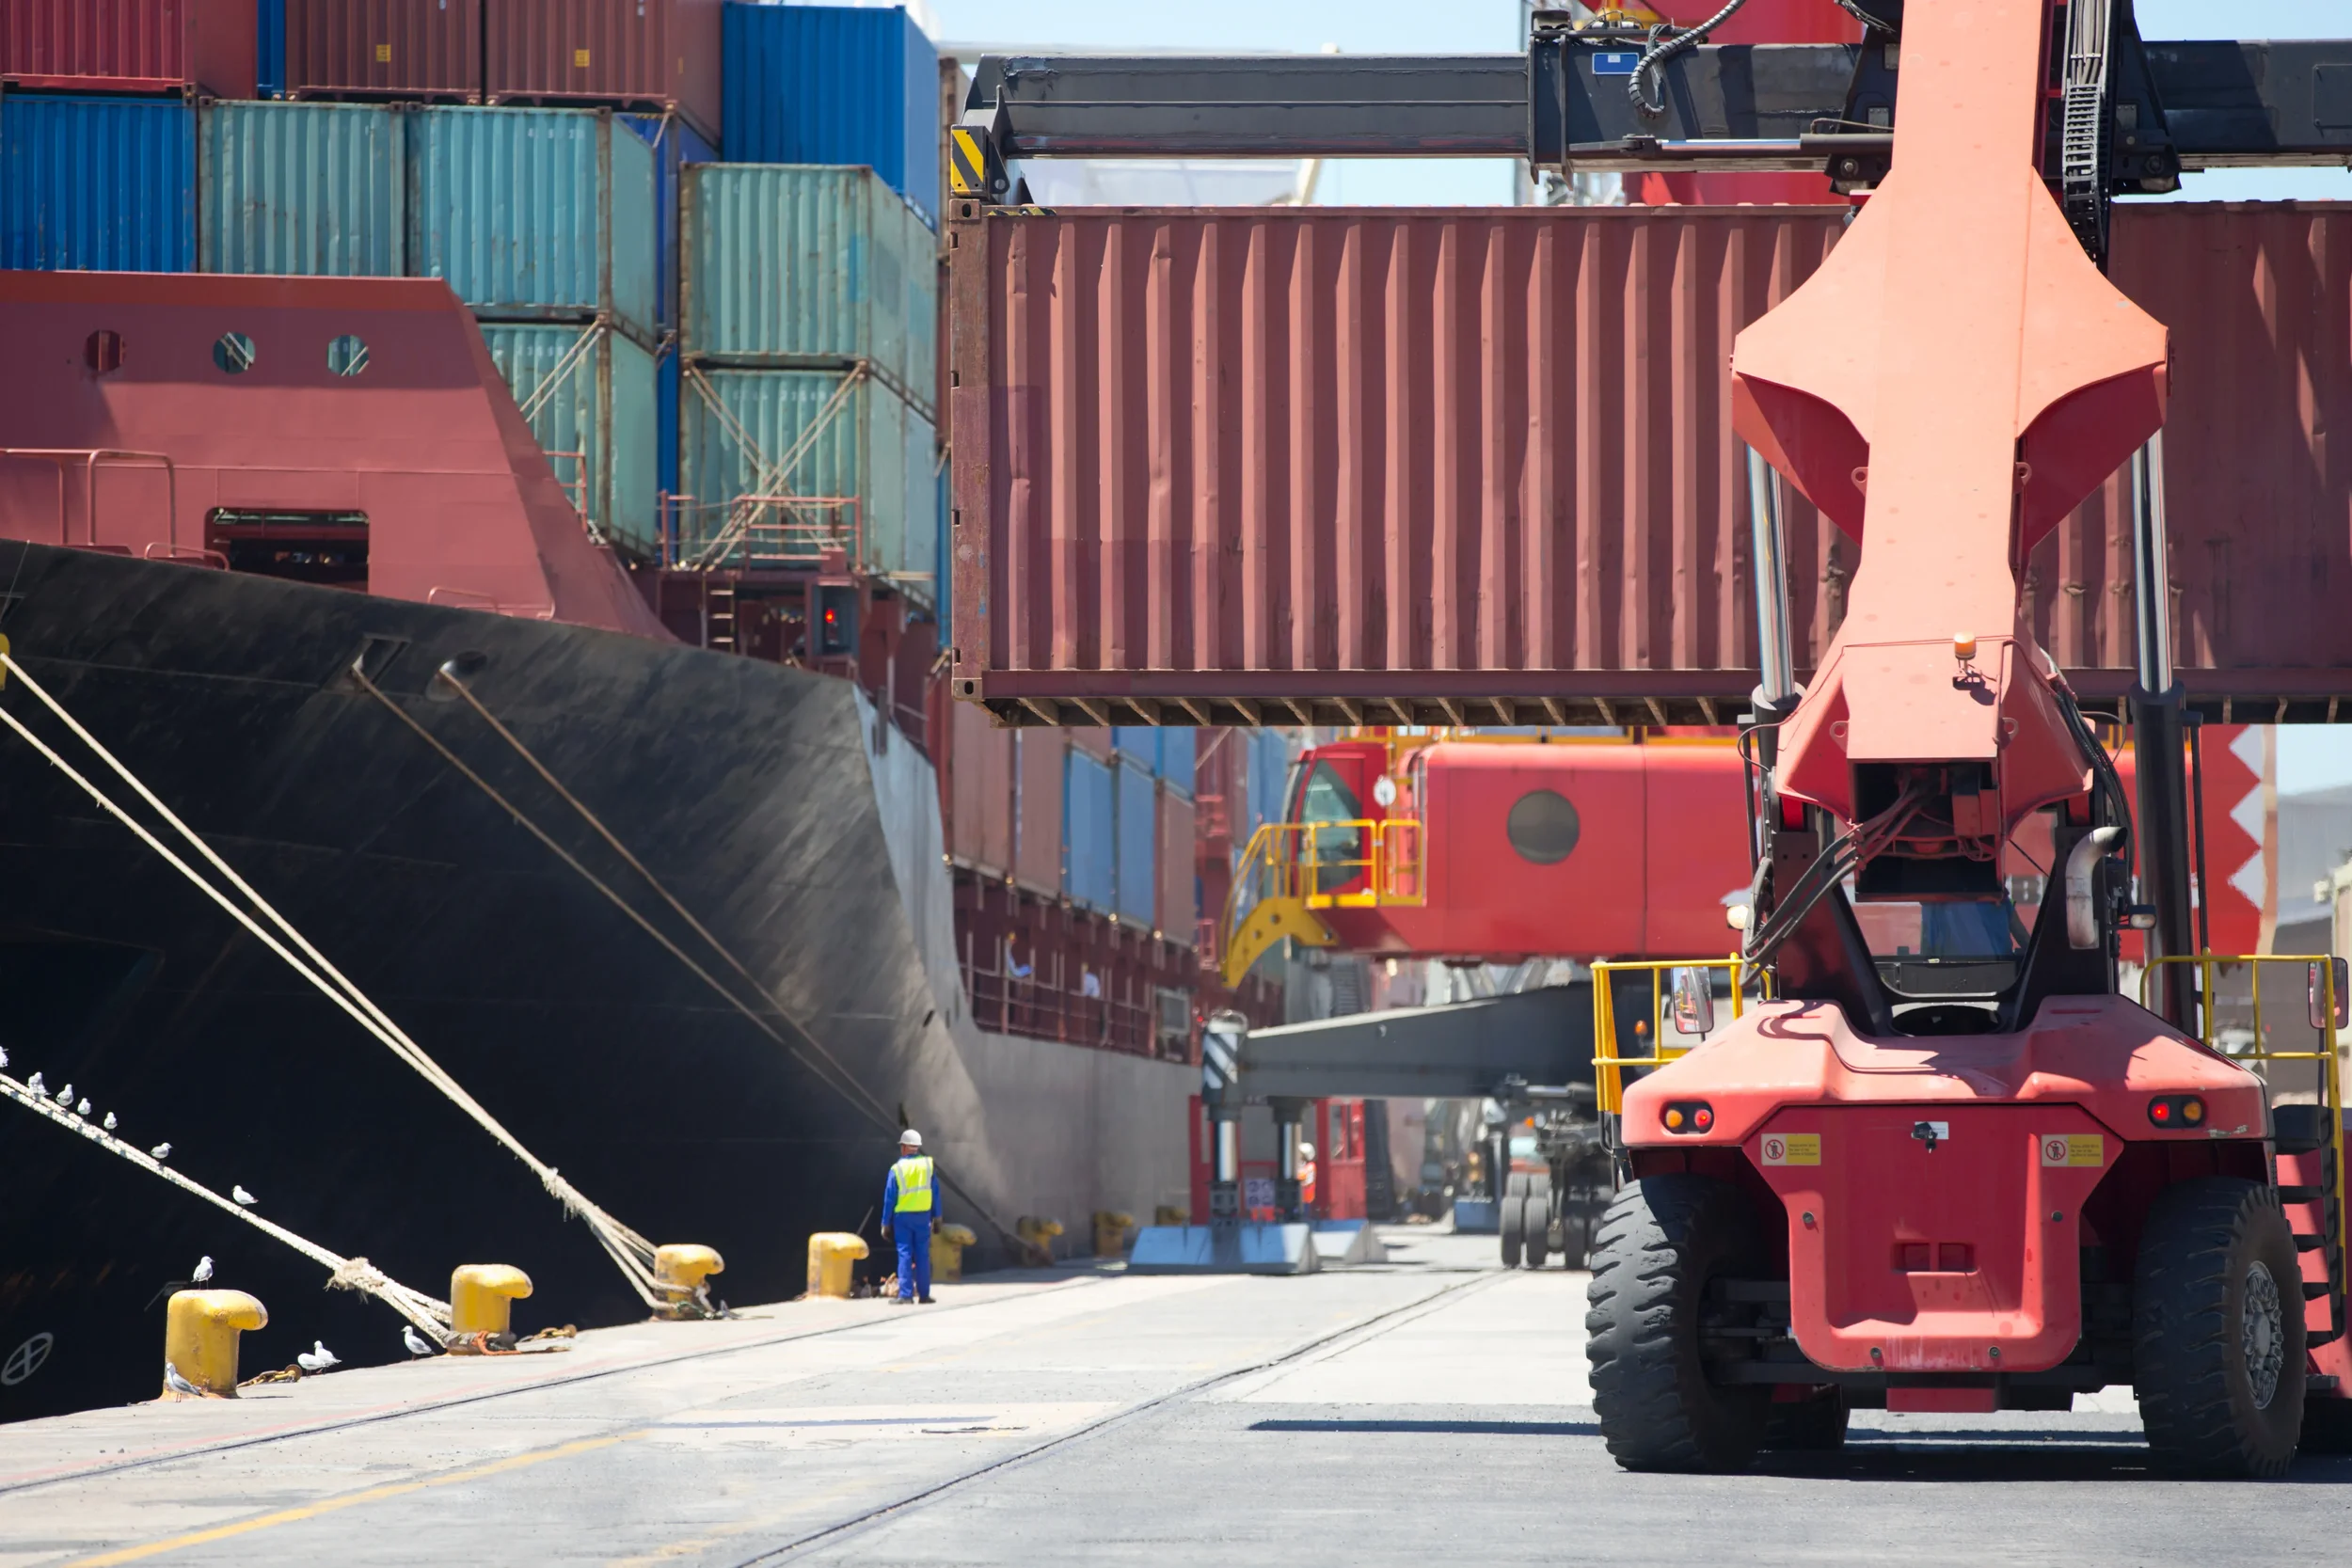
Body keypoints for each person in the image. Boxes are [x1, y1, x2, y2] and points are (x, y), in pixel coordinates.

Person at [882, 1129, 941, 1304]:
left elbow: (889, 1197)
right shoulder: (928, 1166)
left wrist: (885, 1223)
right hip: (923, 1217)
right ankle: (924, 1295)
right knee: (923, 1255)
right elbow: (935, 1193)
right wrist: (937, 1217)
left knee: (905, 1254)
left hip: (903, 1218)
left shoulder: (897, 1169)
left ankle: (906, 1295)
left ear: (904, 1148)